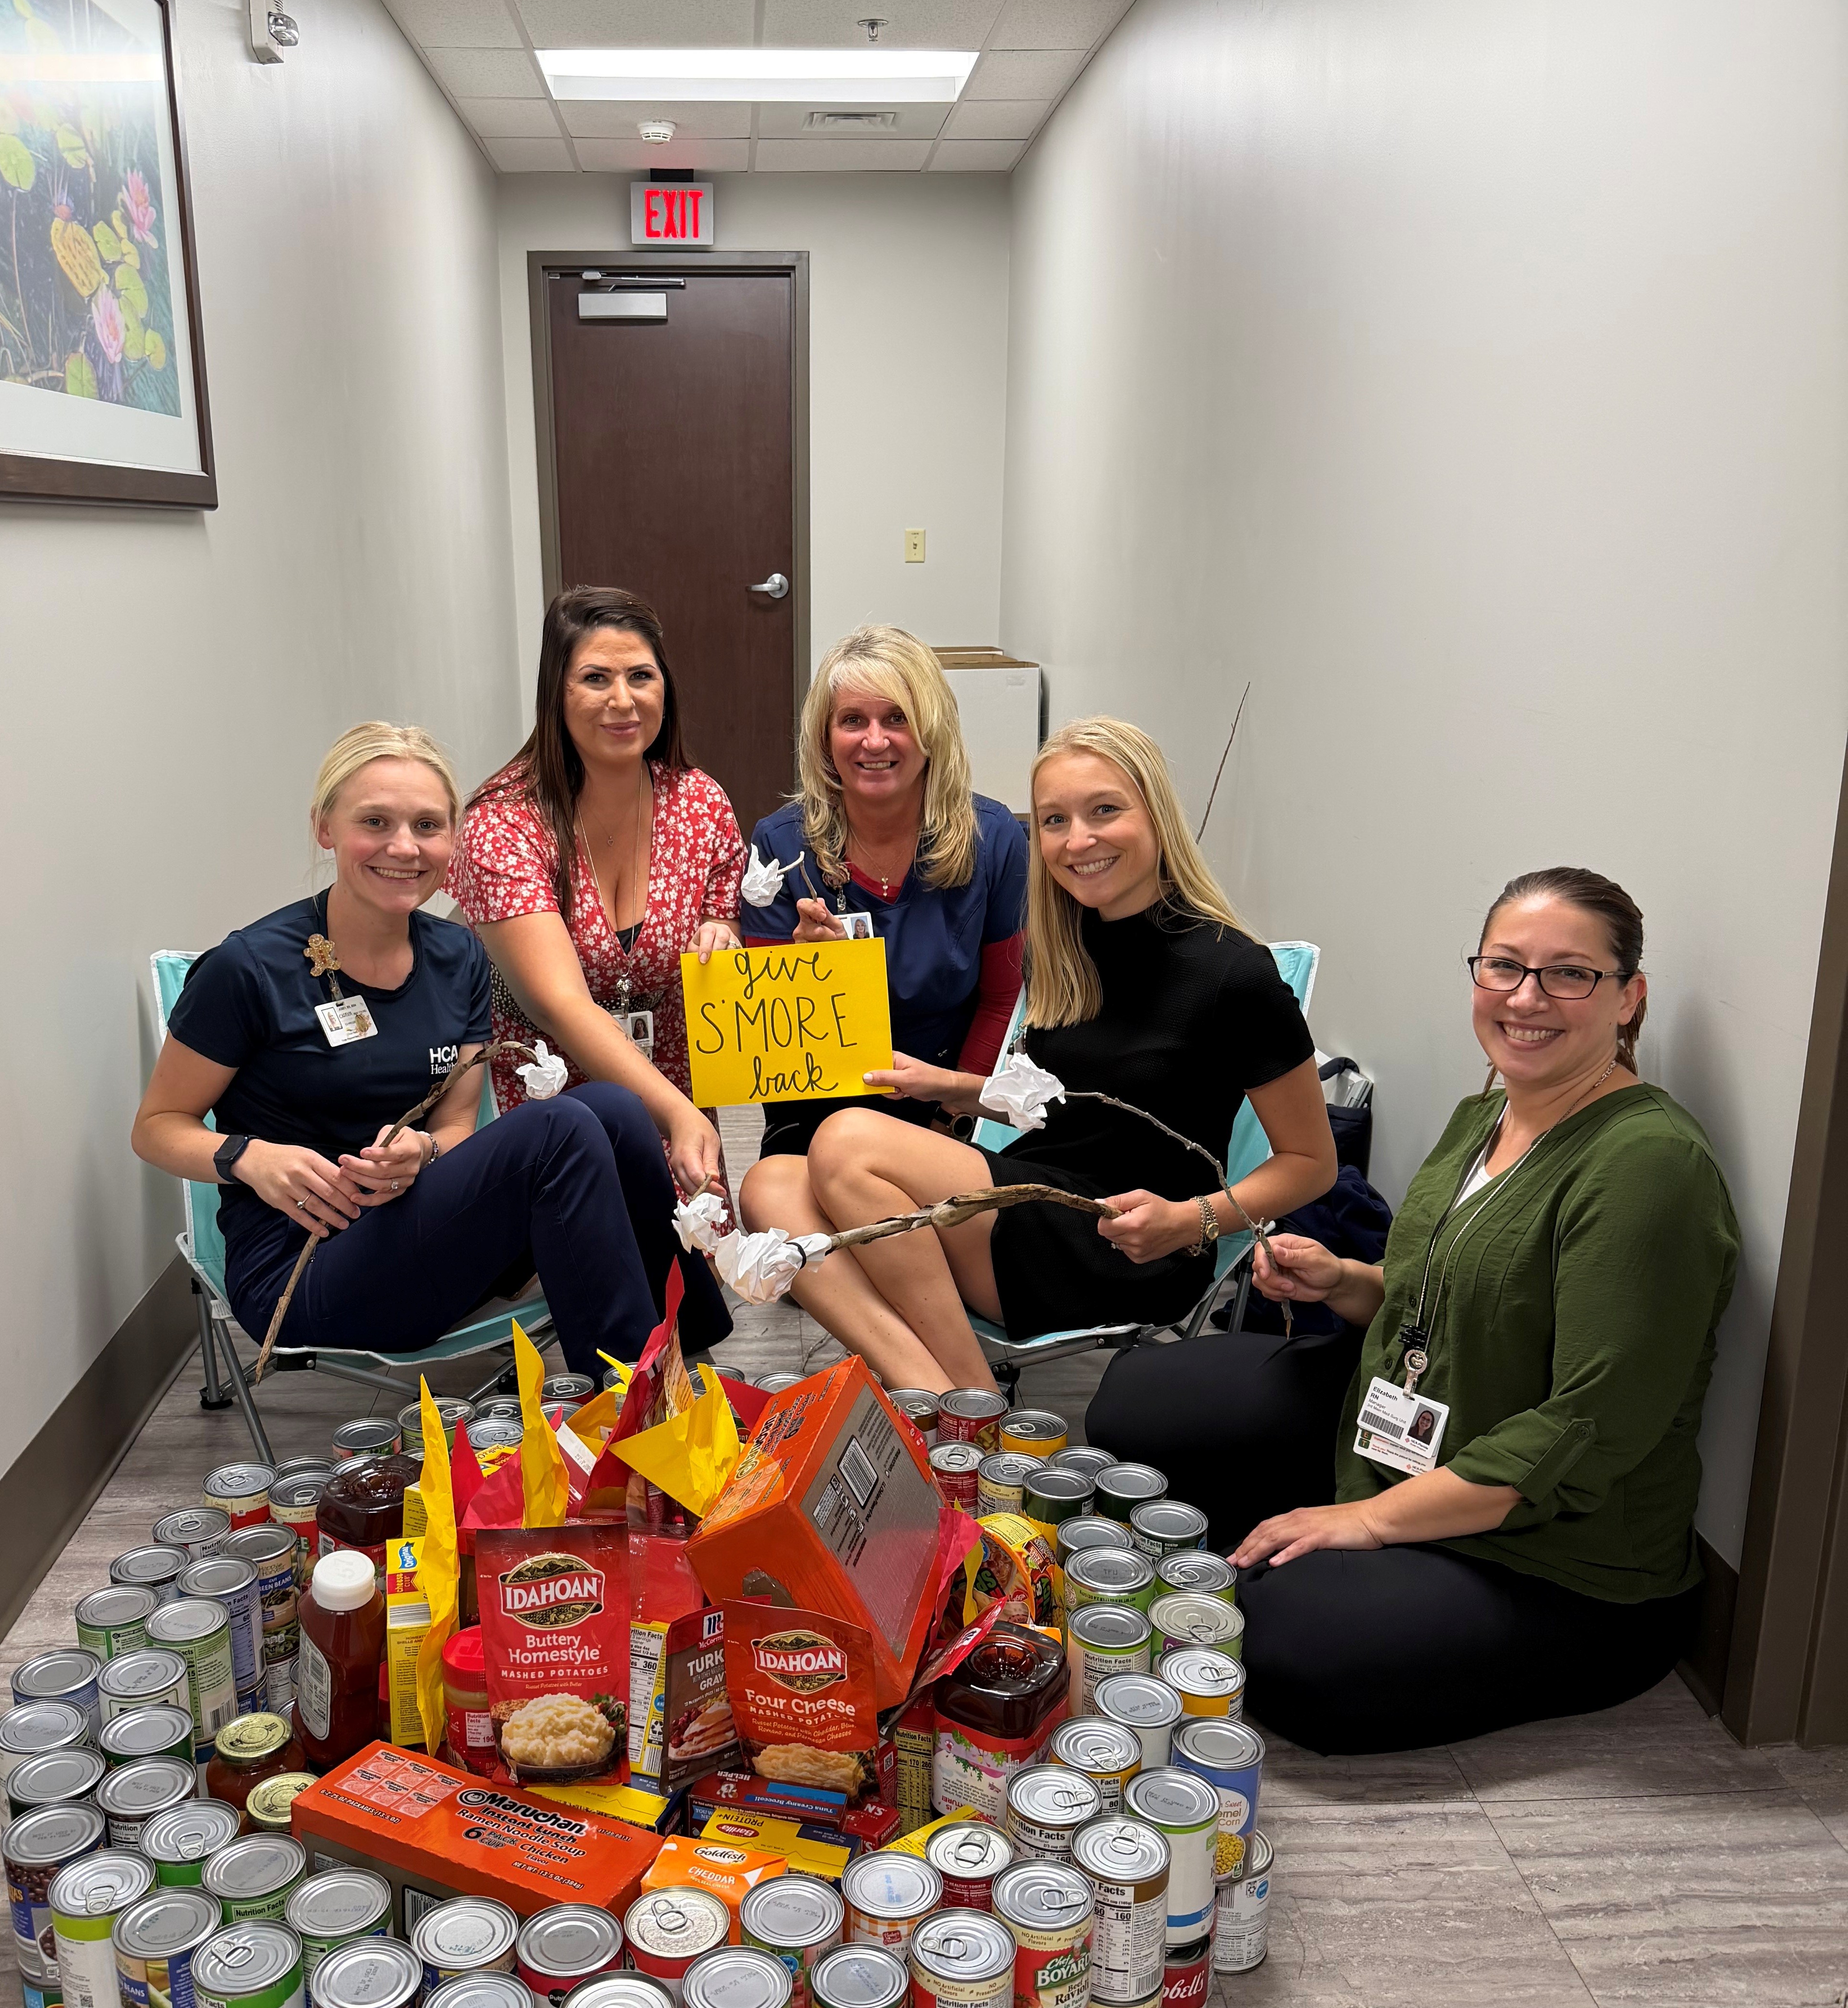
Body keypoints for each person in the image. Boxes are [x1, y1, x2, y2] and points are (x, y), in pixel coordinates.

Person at [1089, 866, 1739, 1755]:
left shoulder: (1648, 1168)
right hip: (1416, 1434)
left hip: (1557, 1556)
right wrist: (1343, 1281)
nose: (1528, 998)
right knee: (1139, 1402)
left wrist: (1365, 1522)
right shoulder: (1490, 1112)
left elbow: (1586, 1429)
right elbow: (1432, 1291)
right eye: (1504, 966)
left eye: (1570, 974)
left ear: (1630, 1000)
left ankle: (1362, 1553)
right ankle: (1338, 1533)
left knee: (1282, 1643)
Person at [131, 721, 729, 1373]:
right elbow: (157, 1128)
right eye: (376, 822)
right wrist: (250, 1159)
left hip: (421, 1229)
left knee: (612, 1109)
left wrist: (427, 1150)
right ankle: (636, 1413)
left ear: (453, 840)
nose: (404, 848)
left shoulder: (459, 956)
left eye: (427, 826)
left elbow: (453, 1127)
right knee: (559, 1128)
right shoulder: (248, 969)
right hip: (304, 1264)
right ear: (325, 828)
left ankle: (687, 1347)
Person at [783, 718, 1337, 1395]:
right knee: (774, 1186)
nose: (1078, 841)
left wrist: (1192, 1219)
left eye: (1104, 810)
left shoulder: (1234, 975)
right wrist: (950, 1086)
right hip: (1037, 1192)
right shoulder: (1068, 948)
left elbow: (1312, 1166)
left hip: (1128, 1242)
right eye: (1054, 820)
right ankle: (933, 1393)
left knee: (844, 1141)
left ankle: (969, 1398)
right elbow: (1059, 1103)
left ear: (1156, 815)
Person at [737, 627, 1028, 1361]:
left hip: (940, 1114)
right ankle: (939, 1382)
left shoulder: (993, 841)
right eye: (853, 721)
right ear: (824, 738)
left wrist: (956, 1116)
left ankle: (936, 1387)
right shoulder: (783, 847)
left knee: (852, 1213)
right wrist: (806, 981)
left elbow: (1000, 1001)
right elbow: (775, 1057)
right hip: (820, 1115)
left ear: (930, 729)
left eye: (896, 717)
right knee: (765, 1194)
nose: (875, 741)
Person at [449, 589, 744, 1217]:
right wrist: (678, 1117)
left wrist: (723, 927)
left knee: (688, 1289)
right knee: (609, 1288)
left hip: (680, 1111)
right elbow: (557, 1005)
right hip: (554, 1121)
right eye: (594, 679)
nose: (622, 700)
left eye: (641, 676)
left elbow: (724, 904)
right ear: (556, 693)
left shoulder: (700, 803)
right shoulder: (504, 823)